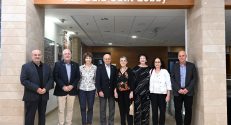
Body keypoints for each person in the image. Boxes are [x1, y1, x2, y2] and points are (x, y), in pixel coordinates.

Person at [20, 49, 54, 125]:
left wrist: (46, 89)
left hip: (44, 96)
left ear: (41, 56)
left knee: (42, 116)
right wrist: (37, 89)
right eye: (35, 55)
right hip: (31, 96)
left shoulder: (47, 67)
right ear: (32, 56)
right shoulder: (26, 66)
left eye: (39, 55)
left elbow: (51, 79)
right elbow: (23, 80)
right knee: (30, 117)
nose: (37, 56)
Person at [53, 49, 80, 125]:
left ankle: (69, 123)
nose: (67, 55)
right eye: (65, 54)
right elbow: (55, 76)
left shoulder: (75, 65)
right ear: (63, 55)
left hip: (72, 90)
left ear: (71, 55)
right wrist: (63, 86)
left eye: (69, 53)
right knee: (61, 109)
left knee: (70, 109)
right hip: (61, 90)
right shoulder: (57, 64)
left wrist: (72, 85)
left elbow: (77, 77)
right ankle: (61, 123)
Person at [171, 51, 197, 125]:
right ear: (178, 57)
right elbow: (172, 78)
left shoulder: (192, 66)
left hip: (188, 92)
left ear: (186, 56)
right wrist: (178, 89)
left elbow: (194, 78)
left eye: (183, 55)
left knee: (188, 110)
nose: (181, 57)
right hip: (177, 92)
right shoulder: (175, 66)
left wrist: (187, 89)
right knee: (178, 110)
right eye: (180, 56)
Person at [96, 54, 117, 125]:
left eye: (109, 59)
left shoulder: (114, 68)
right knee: (102, 109)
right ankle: (103, 123)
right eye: (106, 59)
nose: (107, 60)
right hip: (102, 92)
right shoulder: (99, 68)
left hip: (112, 92)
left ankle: (111, 123)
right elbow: (97, 80)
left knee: (112, 109)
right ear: (103, 59)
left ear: (110, 59)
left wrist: (115, 90)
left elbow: (115, 80)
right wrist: (99, 91)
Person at [149, 57, 172, 125]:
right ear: (154, 63)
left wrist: (168, 95)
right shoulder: (151, 71)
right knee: (154, 112)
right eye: (156, 62)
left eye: (158, 62)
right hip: (153, 94)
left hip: (162, 94)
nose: (157, 63)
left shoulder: (165, 71)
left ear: (161, 63)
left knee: (162, 112)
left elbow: (168, 84)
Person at [114, 56, 134, 125]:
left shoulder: (130, 71)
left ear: (126, 62)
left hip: (128, 93)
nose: (123, 62)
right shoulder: (117, 71)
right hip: (119, 93)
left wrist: (131, 92)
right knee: (122, 110)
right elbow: (115, 82)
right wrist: (115, 91)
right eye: (121, 60)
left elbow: (132, 82)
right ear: (119, 62)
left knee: (129, 110)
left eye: (124, 60)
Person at [78, 52, 97, 125]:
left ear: (91, 59)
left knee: (90, 106)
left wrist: (96, 90)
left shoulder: (95, 67)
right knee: (82, 106)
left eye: (89, 58)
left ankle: (89, 122)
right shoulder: (80, 68)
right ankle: (84, 122)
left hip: (91, 89)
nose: (88, 59)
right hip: (82, 89)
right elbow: (79, 78)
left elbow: (95, 79)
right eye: (86, 58)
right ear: (84, 59)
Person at [132, 54, 151, 125]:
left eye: (144, 58)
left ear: (146, 60)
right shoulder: (135, 69)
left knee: (145, 110)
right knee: (137, 110)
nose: (142, 59)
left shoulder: (150, 69)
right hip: (137, 92)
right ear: (139, 60)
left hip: (147, 92)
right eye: (141, 58)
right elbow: (132, 81)